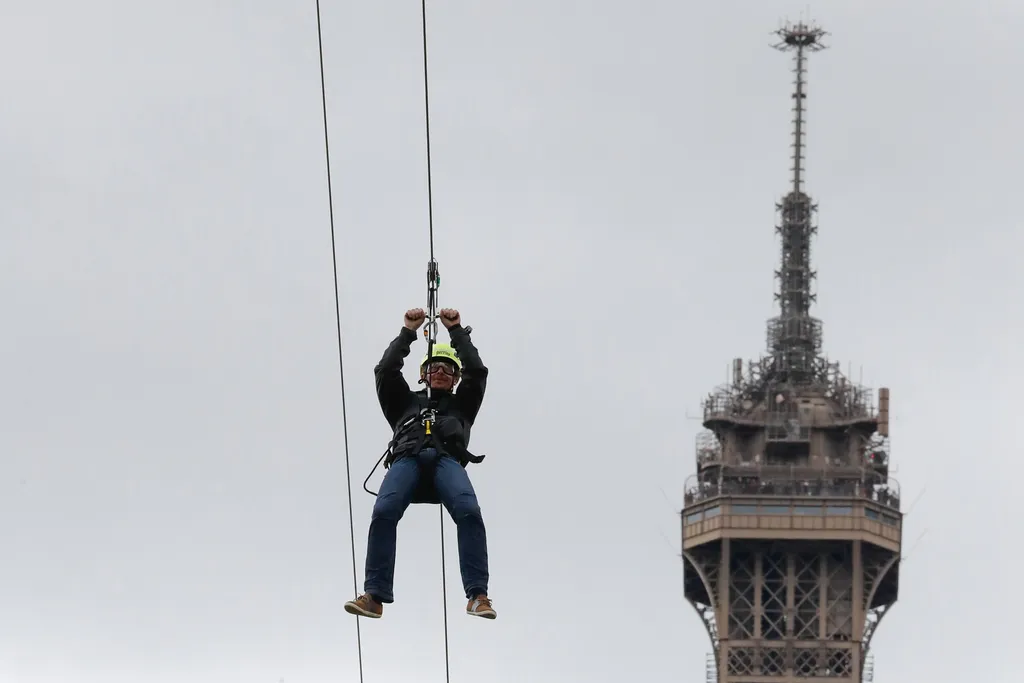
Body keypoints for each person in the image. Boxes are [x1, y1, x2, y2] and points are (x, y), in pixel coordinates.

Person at [344, 307, 495, 620]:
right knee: (384, 511)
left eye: (448, 369)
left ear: (455, 379)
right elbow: (385, 371)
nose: (440, 372)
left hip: (446, 462)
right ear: (423, 374)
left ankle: (478, 595)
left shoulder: (462, 406)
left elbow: (477, 371)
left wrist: (456, 330)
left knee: (469, 512)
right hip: (407, 461)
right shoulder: (404, 404)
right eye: (434, 367)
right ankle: (374, 595)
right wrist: (408, 332)